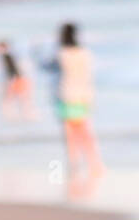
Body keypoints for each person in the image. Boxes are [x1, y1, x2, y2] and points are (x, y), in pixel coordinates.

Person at [41, 22, 102, 184]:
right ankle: (95, 163)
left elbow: (48, 68)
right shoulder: (85, 52)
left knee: (69, 132)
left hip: (66, 93)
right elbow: (88, 74)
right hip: (84, 94)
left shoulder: (61, 53)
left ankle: (73, 164)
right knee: (85, 131)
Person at [0, 40, 34, 119]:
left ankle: (12, 116)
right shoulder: (10, 55)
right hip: (18, 78)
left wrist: (13, 80)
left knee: (10, 98)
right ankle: (25, 115)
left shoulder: (6, 56)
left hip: (16, 79)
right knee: (21, 98)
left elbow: (12, 70)